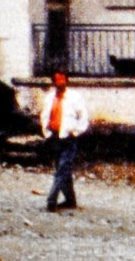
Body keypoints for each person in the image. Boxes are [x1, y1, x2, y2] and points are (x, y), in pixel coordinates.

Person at [39, 69, 89, 211]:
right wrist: (46, 132)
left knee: (62, 169)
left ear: (66, 80)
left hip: (68, 138)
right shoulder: (49, 98)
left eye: (62, 79)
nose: (60, 82)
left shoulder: (74, 97)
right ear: (54, 81)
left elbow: (83, 116)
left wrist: (75, 132)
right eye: (57, 79)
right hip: (55, 136)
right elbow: (44, 116)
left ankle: (51, 200)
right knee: (62, 169)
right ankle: (70, 200)